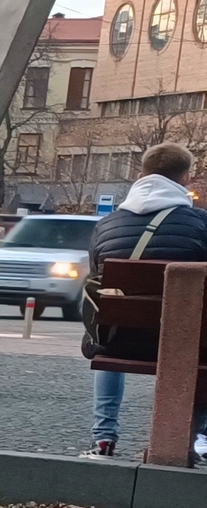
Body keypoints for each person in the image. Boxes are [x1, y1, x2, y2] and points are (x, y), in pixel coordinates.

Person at [82, 142, 207, 458]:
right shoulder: (200, 223)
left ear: (141, 175)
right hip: (186, 344)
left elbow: (98, 281)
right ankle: (200, 437)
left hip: (120, 340)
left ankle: (104, 439)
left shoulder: (106, 225)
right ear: (185, 179)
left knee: (111, 327)